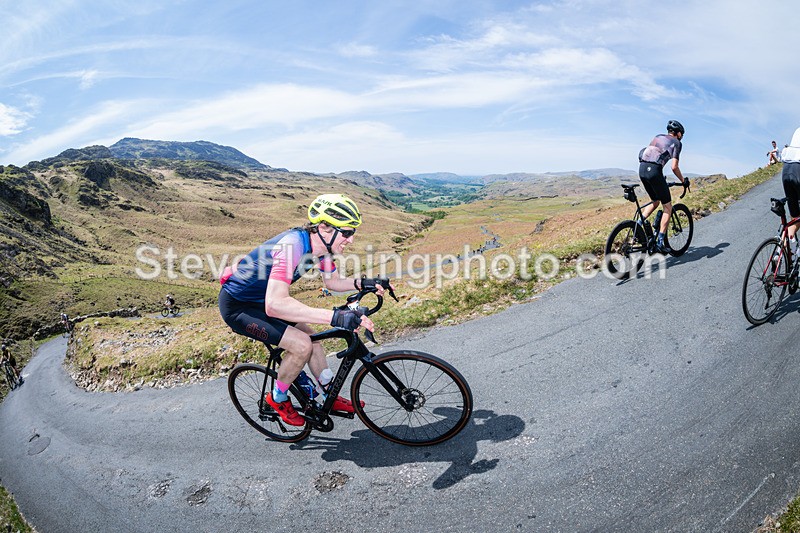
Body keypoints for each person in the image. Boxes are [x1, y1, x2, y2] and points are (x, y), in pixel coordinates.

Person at [218, 193, 390, 426]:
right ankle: (277, 399)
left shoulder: (322, 250)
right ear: (325, 228)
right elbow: (275, 304)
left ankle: (328, 391)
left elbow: (333, 283)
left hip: (264, 300)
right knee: (301, 345)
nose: (351, 239)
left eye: (353, 232)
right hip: (239, 308)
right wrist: (336, 316)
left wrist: (364, 283)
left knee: (313, 339)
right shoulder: (293, 246)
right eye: (347, 232)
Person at [637, 120, 690, 254]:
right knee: (667, 207)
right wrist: (683, 181)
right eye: (681, 134)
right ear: (678, 133)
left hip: (642, 169)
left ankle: (637, 225)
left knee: (655, 201)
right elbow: (674, 167)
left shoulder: (658, 137)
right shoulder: (677, 143)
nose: (681, 137)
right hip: (654, 171)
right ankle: (660, 242)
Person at [780, 128, 800, 253]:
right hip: (799, 167)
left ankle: (781, 249)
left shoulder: (798, 130)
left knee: (795, 217)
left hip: (786, 169)